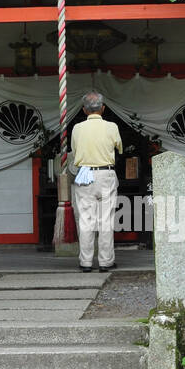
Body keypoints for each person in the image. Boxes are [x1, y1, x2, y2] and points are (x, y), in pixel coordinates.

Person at [69, 91, 123, 273]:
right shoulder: (112, 127)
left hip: (85, 174)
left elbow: (75, 152)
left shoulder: (77, 129)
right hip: (105, 174)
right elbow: (119, 147)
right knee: (105, 220)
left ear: (84, 110)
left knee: (85, 219)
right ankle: (105, 261)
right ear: (103, 108)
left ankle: (86, 262)